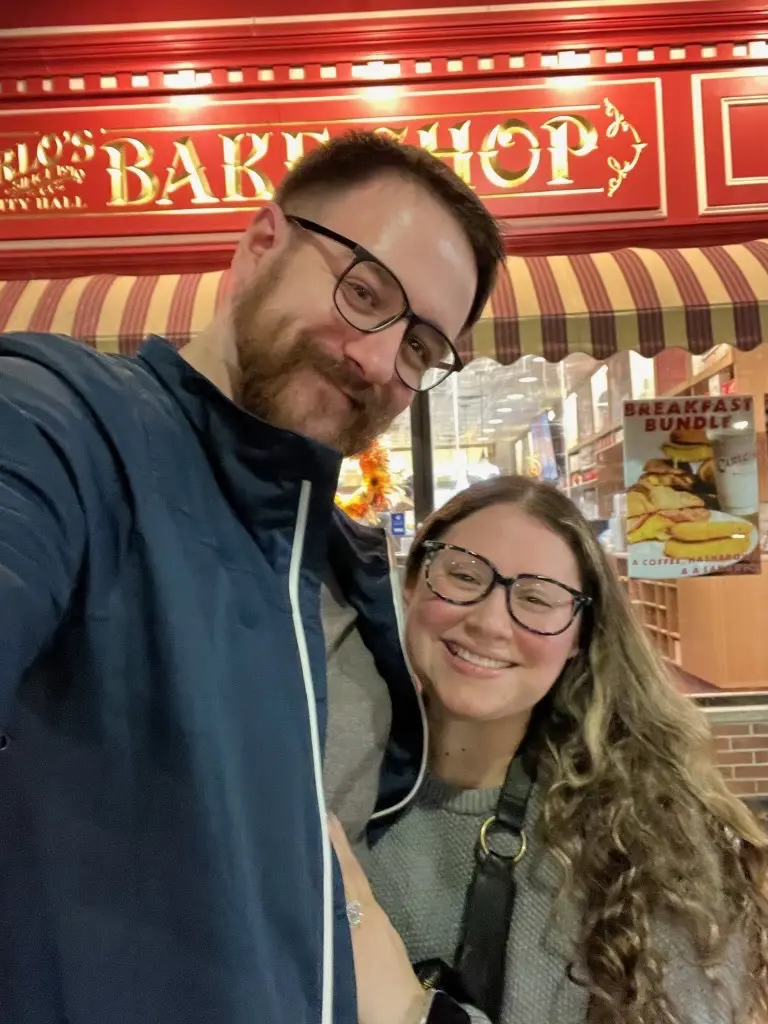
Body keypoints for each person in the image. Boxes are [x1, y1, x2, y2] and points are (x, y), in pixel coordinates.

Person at [0, 131, 503, 1024]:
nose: (381, 362)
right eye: (364, 293)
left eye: (424, 348)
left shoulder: (347, 569)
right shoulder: (64, 421)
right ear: (261, 242)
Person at [330, 475, 768, 1024]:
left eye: (537, 599)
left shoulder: (654, 841)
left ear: (578, 637)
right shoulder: (334, 787)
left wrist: (411, 1012)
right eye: (463, 575)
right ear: (414, 582)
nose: (489, 621)